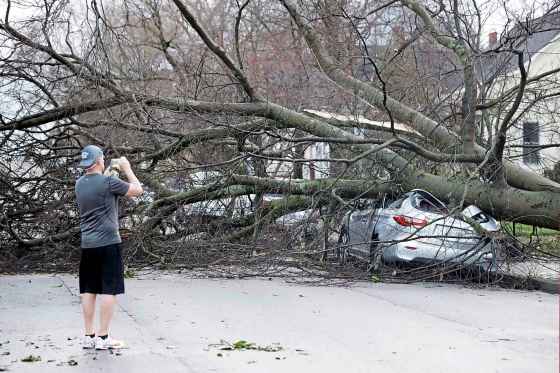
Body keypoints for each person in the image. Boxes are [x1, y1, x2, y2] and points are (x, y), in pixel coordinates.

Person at [74, 145, 143, 350]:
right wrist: (127, 168)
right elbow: (137, 191)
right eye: (102, 158)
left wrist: (111, 171)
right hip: (108, 244)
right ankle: (103, 338)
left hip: (88, 245)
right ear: (98, 162)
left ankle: (89, 336)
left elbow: (100, 184)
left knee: (88, 290)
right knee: (108, 291)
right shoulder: (108, 182)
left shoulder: (80, 184)